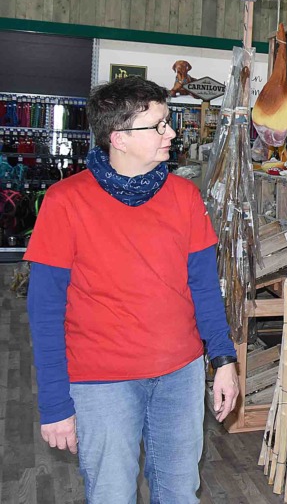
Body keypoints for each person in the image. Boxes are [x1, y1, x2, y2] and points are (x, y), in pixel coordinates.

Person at [25, 77, 239, 503]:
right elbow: (45, 310)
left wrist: (224, 359)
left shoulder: (184, 196)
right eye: (159, 125)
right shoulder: (65, 201)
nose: (172, 133)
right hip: (102, 381)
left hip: (179, 374)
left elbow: (204, 288)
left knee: (180, 493)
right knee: (112, 495)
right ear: (118, 138)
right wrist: (54, 404)